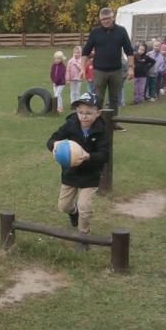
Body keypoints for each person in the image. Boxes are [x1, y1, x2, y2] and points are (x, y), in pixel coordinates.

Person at [46, 92, 110, 252]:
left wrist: (88, 156)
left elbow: (104, 155)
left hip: (90, 175)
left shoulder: (102, 131)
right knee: (64, 206)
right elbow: (51, 140)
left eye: (89, 113)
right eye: (81, 112)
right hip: (71, 173)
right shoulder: (71, 124)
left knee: (84, 207)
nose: (84, 116)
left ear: (98, 113)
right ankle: (73, 213)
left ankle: (83, 236)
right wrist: (55, 146)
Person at [80, 7, 134, 123]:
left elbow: (129, 50)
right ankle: (98, 122)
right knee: (98, 98)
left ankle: (113, 122)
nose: (105, 21)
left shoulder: (121, 31)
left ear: (112, 17)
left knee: (114, 98)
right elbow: (85, 52)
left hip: (116, 71)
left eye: (107, 18)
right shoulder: (95, 32)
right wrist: (82, 69)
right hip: (99, 71)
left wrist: (130, 68)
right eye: (102, 19)